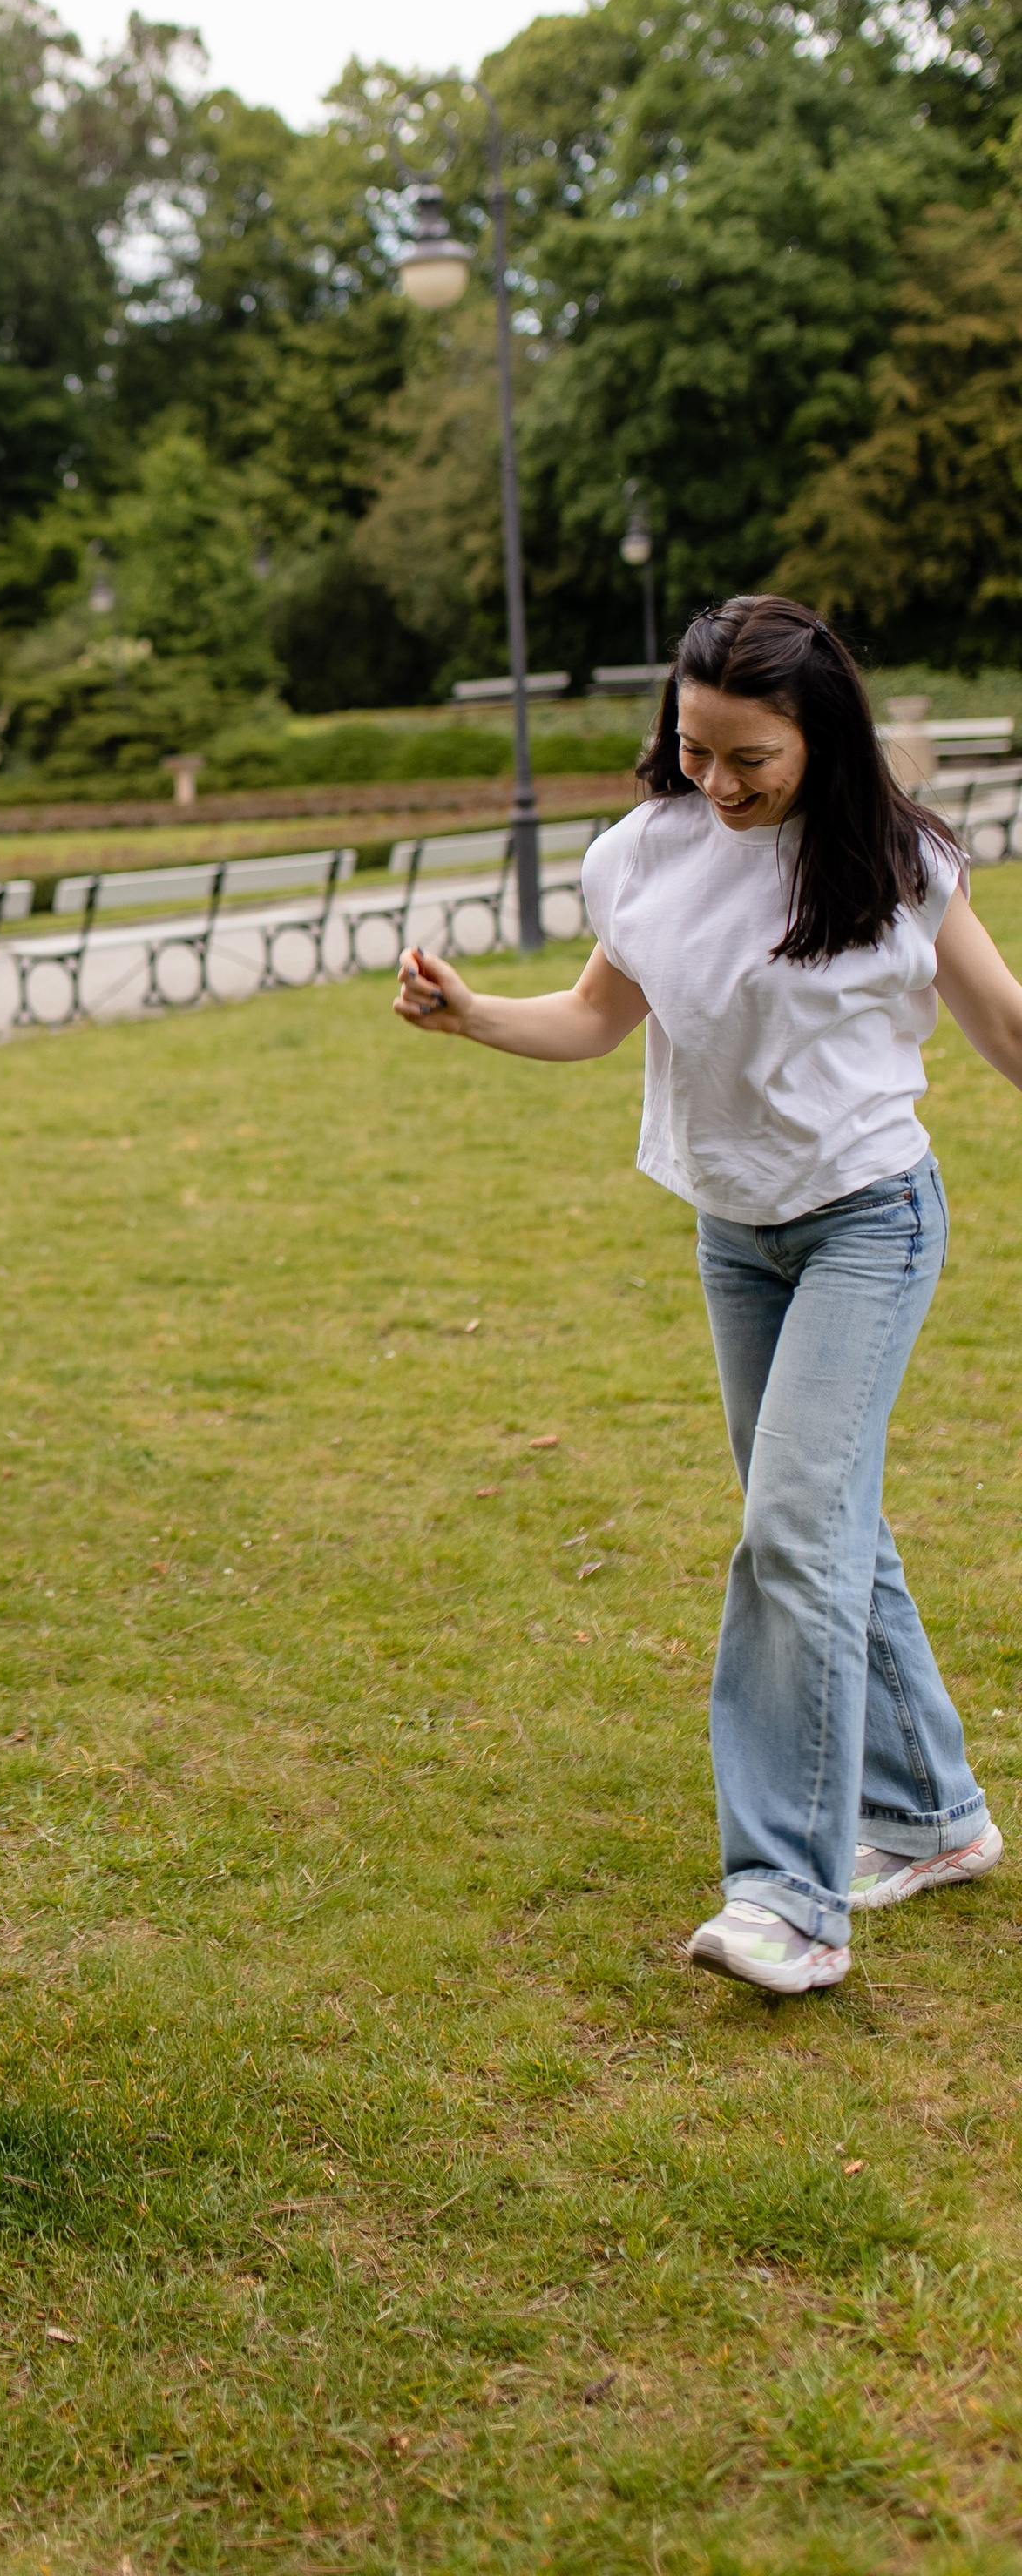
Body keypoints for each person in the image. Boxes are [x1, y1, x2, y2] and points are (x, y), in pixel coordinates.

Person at [395, 594, 1022, 1998]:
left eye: (753, 761)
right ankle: (931, 1817)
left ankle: (790, 1899)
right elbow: (596, 1017)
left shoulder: (900, 862)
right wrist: (473, 1014)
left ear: (823, 741)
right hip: (737, 1235)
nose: (720, 784)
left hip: (870, 1219)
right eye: (697, 750)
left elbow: (1006, 1028)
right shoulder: (648, 854)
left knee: (795, 1527)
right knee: (822, 1522)